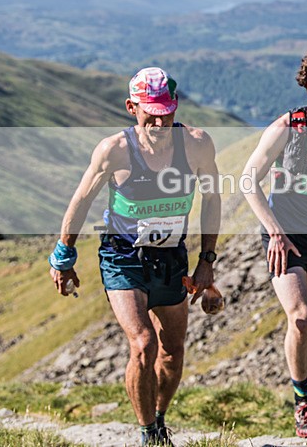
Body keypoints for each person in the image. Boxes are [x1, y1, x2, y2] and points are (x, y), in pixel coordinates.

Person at [48, 67, 221, 447]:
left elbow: (212, 199)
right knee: (144, 344)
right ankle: (148, 434)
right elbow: (82, 199)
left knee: (172, 353)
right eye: (151, 114)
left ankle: (158, 418)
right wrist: (63, 255)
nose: (160, 122)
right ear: (131, 108)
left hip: (172, 258)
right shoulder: (114, 150)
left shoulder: (197, 144)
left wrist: (207, 261)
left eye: (167, 113)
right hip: (123, 255)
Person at [241, 44, 307, 438]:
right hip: (285, 234)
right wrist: (274, 232)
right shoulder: (289, 126)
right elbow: (249, 180)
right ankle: (301, 404)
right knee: (300, 315)